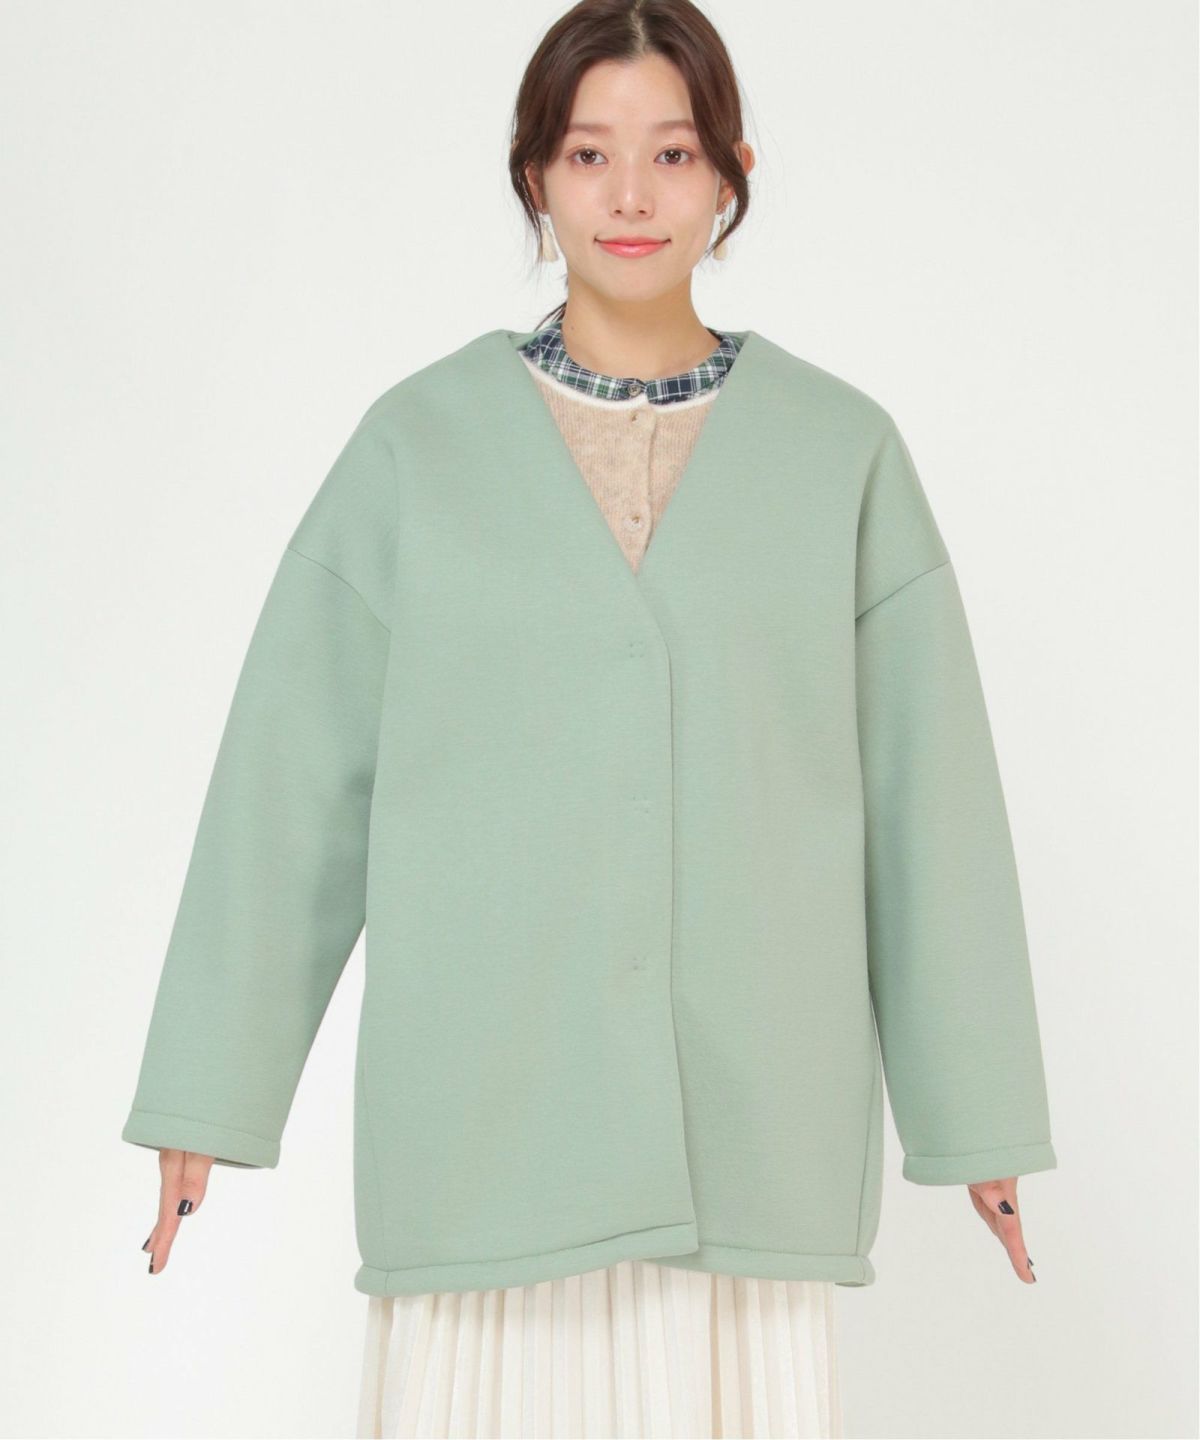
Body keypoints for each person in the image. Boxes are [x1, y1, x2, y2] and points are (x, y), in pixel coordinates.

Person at [122, 3, 1056, 1437]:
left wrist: (975, 1113)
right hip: (484, 1135)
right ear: (534, 177)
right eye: (586, 153)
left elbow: (929, 804)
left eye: (672, 153)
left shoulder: (842, 454)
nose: (630, 196)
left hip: (748, 1149)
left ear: (732, 173)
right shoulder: (417, 447)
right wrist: (210, 1093)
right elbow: (290, 783)